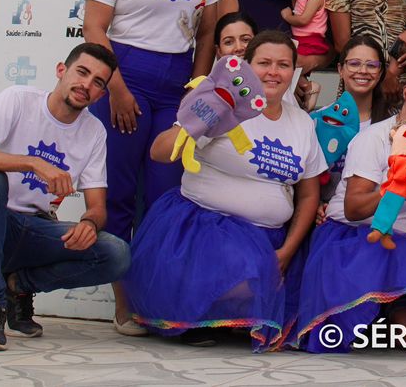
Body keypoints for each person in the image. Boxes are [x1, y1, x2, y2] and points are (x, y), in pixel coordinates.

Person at [124, 31, 325, 348]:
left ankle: (230, 316)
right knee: (245, 274)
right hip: (206, 230)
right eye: (264, 63)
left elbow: (309, 193)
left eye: (284, 65)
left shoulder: (302, 122)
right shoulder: (220, 101)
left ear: (294, 70)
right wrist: (199, 118)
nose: (274, 72)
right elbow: (160, 152)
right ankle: (209, 315)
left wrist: (287, 250)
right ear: (246, 65)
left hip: (270, 237)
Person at [81, 0, 216, 332]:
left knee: (165, 196)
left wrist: (194, 88)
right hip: (126, 78)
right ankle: (124, 305)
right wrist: (117, 89)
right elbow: (95, 30)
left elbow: (207, 35)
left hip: (176, 85)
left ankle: (157, 300)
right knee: (118, 195)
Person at [0, 43, 130, 351]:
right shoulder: (18, 100)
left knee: (115, 253)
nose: (87, 85)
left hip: (27, 231)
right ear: (61, 70)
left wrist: (89, 224)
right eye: (82, 72)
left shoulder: (94, 132)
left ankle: (18, 287)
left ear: (101, 94)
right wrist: (33, 163)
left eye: (98, 82)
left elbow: (97, 207)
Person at [293, 63, 406, 354]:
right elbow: (354, 208)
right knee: (334, 338)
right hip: (356, 241)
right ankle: (373, 313)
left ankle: (384, 316)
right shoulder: (373, 138)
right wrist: (393, 185)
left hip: (405, 253)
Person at [319, 34, 396, 203]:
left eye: (372, 65)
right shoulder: (321, 119)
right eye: (354, 64)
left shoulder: (393, 125)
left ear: (381, 71)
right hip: (325, 219)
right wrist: (318, 206)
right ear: (340, 69)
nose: (362, 71)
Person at [280, 0, 331, 72]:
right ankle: (305, 86)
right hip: (301, 41)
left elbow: (303, 20)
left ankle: (308, 87)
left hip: (311, 42)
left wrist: (287, 16)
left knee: (287, 63)